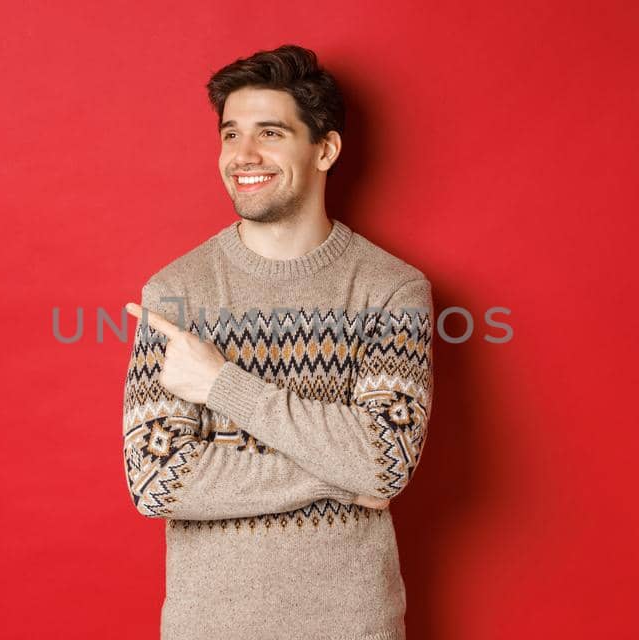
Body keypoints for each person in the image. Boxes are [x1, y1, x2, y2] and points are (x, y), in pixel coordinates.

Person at [120, 43, 434, 640]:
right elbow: (158, 480)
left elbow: (384, 463)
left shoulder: (392, 291)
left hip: (353, 625)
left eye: (270, 132)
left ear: (326, 149)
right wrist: (341, 472)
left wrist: (220, 384)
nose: (243, 156)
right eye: (230, 134)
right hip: (208, 627)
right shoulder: (176, 292)